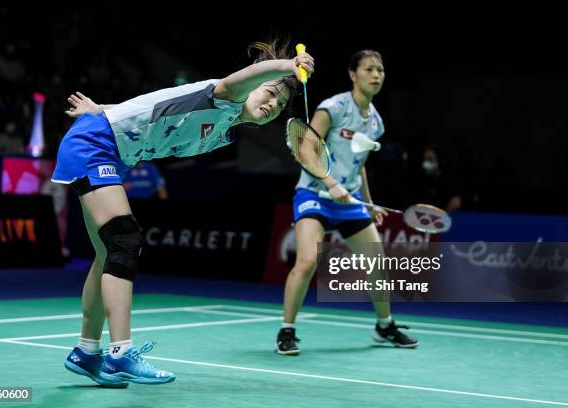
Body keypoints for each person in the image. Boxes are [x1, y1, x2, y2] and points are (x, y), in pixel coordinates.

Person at [51, 40, 314, 386]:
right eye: (268, 94)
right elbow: (246, 76)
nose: (271, 104)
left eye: (280, 105)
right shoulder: (225, 96)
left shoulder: (225, 130)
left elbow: (153, 105)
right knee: (125, 240)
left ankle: (87, 352)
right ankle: (120, 354)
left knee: (107, 254)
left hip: (108, 145)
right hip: (95, 143)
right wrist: (287, 66)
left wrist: (102, 107)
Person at [276, 50, 418, 356]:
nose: (377, 75)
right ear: (353, 74)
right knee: (308, 261)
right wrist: (331, 183)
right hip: (315, 194)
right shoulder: (333, 108)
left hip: (349, 198)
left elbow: (359, 163)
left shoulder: (376, 123)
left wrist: (367, 202)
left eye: (380, 69)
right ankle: (287, 330)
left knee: (376, 263)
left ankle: (385, 325)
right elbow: (307, 151)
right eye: (369, 69)